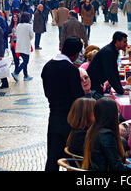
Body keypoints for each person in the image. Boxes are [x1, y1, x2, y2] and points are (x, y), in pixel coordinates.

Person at [41, 37, 85, 171]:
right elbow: (78, 97)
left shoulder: (47, 66)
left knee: (53, 158)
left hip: (54, 117)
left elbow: (47, 93)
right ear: (76, 54)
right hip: (70, 121)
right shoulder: (71, 69)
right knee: (73, 159)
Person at [82, 97, 131, 171]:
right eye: (117, 112)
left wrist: (122, 161)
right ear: (111, 115)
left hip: (99, 167)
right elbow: (116, 167)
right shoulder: (106, 135)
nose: (118, 115)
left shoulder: (93, 129)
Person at [87, 31, 128, 96]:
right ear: (117, 41)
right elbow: (110, 74)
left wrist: (121, 89)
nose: (126, 44)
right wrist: (120, 91)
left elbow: (115, 72)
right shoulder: (108, 52)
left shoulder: (113, 50)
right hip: (93, 84)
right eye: (124, 42)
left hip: (98, 82)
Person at [12, 12, 34, 82]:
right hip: (25, 46)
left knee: (25, 61)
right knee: (26, 61)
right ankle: (16, 72)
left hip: (19, 46)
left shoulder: (18, 25)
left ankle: (26, 75)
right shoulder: (29, 26)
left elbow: (16, 34)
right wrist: (27, 39)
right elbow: (32, 36)